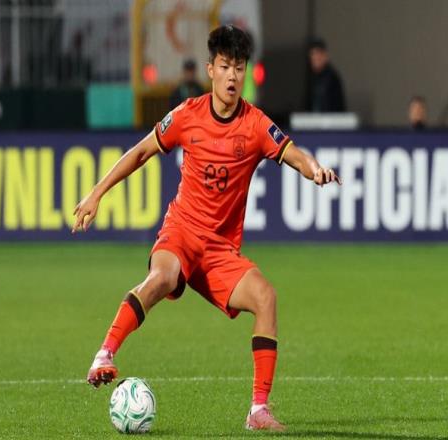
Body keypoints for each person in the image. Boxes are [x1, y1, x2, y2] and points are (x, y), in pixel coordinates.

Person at [73, 25, 341, 432]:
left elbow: (292, 153)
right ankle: (105, 354)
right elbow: (142, 151)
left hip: (219, 252)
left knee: (266, 298)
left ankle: (258, 410)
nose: (233, 76)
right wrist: (96, 193)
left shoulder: (255, 124)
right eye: (225, 67)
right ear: (210, 69)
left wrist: (314, 169)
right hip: (181, 231)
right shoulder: (187, 115)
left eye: (239, 68)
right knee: (163, 277)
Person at [306, 38, 346, 113]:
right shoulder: (312, 79)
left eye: (318, 57)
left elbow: (338, 106)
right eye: (312, 58)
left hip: (330, 118)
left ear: (325, 56)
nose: (314, 60)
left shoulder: (332, 78)